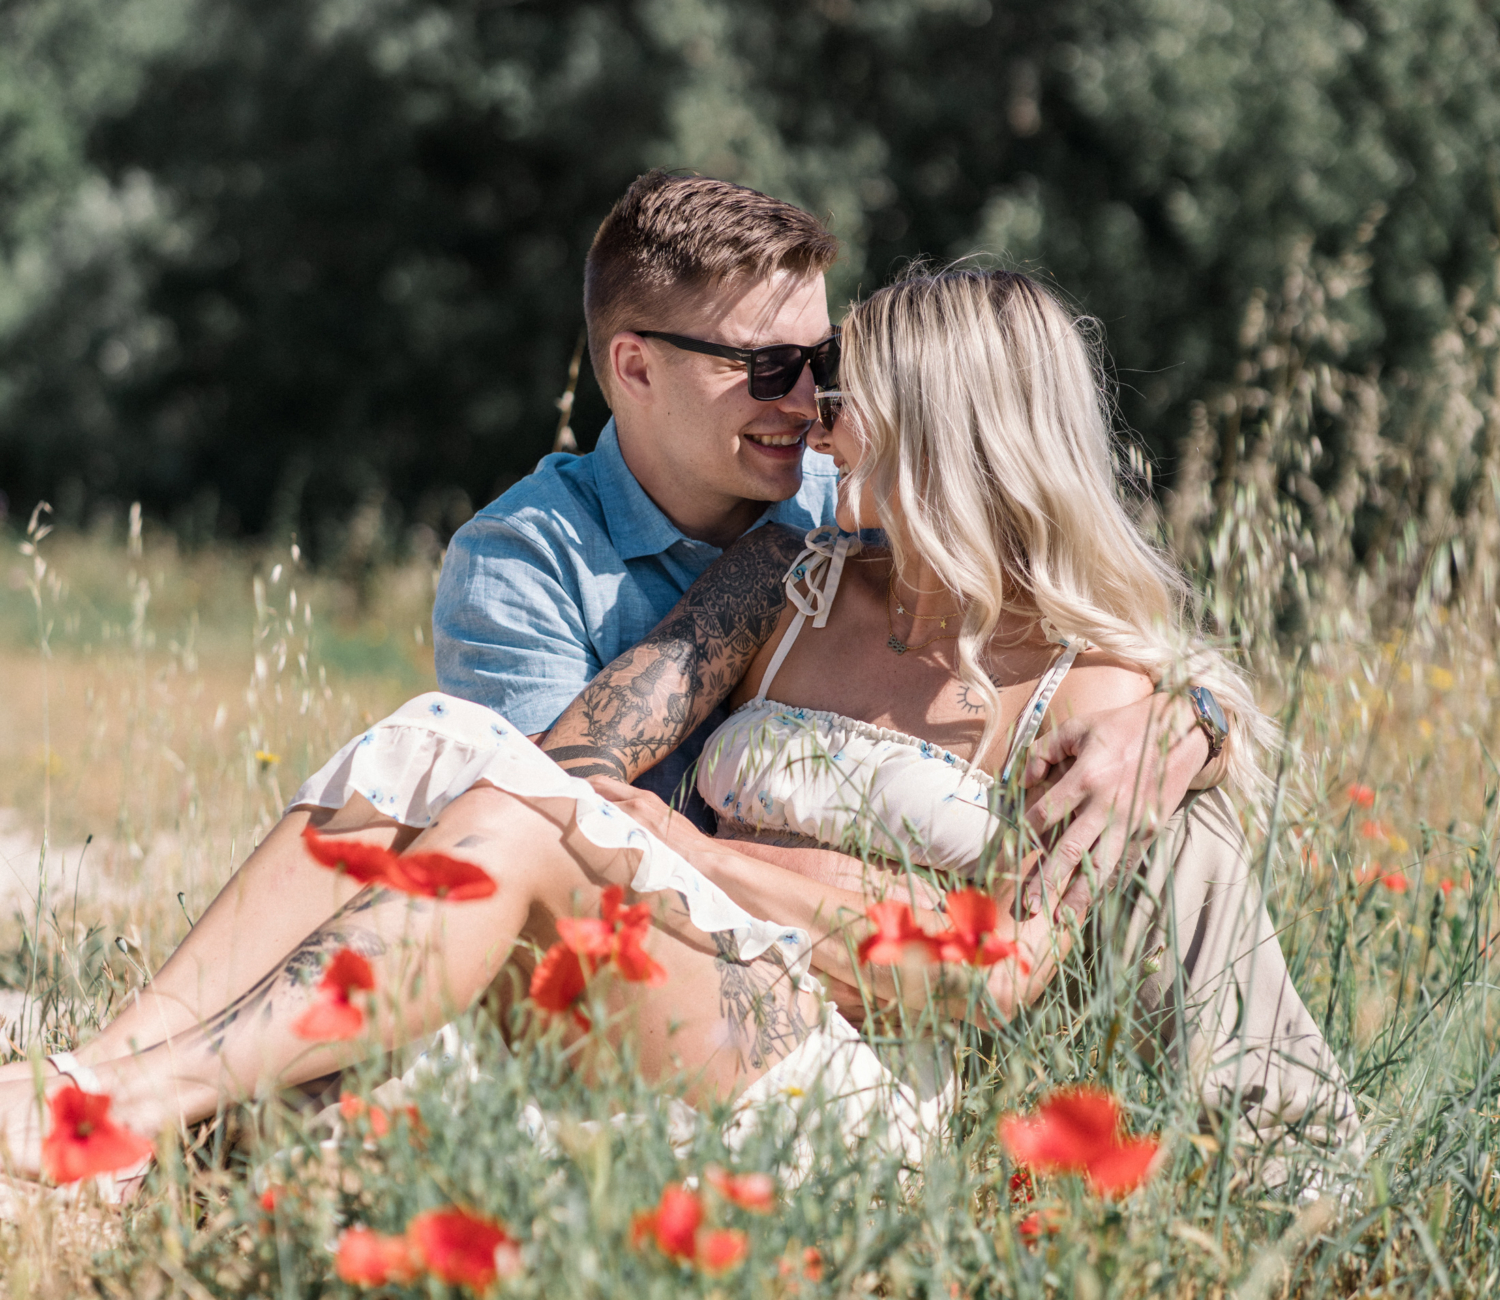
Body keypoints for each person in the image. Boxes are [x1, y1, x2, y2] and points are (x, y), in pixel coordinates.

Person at [0, 265, 1357, 1196]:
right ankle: (108, 1067)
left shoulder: (1097, 696)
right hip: (701, 976)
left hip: (859, 1084)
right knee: (436, 736)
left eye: (847, 386)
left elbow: (990, 979)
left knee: (530, 827)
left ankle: (153, 1108)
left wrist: (688, 855)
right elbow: (570, 762)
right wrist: (656, 843)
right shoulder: (793, 577)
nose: (817, 413)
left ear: (951, 429)